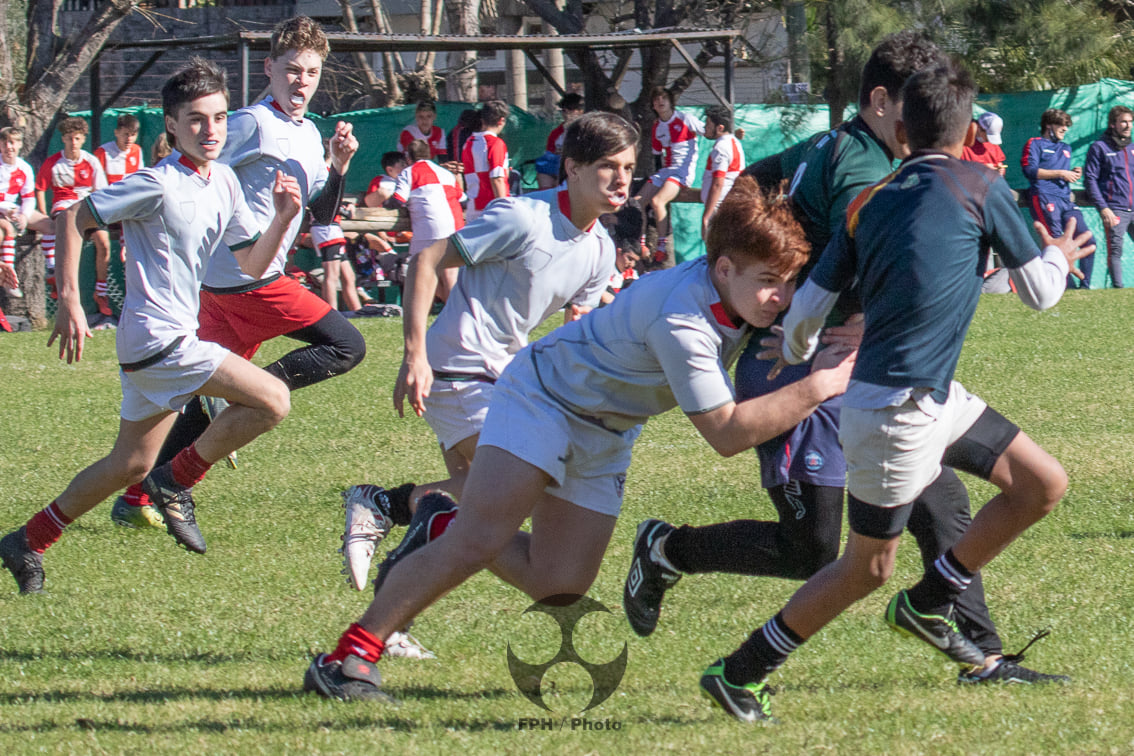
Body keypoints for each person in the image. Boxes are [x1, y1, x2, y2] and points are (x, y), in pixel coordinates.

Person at [305, 175, 860, 703]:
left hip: (607, 429)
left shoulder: (734, 286)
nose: (781, 297)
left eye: (790, 282)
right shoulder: (682, 321)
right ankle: (346, 659)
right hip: (544, 398)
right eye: (769, 281)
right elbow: (726, 433)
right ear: (723, 268)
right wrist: (823, 383)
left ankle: (443, 519)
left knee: (558, 585)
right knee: (478, 541)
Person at [637, 31, 1061, 689]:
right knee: (819, 551)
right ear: (884, 101)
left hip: (859, 367)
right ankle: (678, 563)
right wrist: (776, 291)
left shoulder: (835, 146)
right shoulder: (868, 172)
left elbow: (754, 179)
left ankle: (979, 653)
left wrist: (775, 274)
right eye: (913, 101)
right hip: (816, 370)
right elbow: (892, 266)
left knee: (943, 505)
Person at [0, 58, 301, 595]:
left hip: (167, 341)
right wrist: (69, 299)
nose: (210, 130)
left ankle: (28, 541)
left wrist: (281, 218)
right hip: (157, 339)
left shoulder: (225, 181)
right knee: (273, 400)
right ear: (171, 125)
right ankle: (177, 482)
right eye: (196, 120)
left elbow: (251, 265)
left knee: (130, 464)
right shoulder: (156, 183)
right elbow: (73, 217)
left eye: (219, 117)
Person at [338, 112, 632, 596]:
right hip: (458, 369)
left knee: (472, 516)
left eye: (628, 167)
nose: (621, 179)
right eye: (608, 166)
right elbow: (427, 259)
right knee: (531, 480)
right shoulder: (522, 217)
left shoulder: (600, 248)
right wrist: (414, 355)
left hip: (505, 377)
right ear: (573, 168)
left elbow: (574, 331)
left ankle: (393, 607)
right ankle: (385, 505)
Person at [110, 16, 366, 550]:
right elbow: (193, 171)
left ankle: (134, 499)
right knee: (347, 345)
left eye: (311, 72)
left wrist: (338, 166)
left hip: (232, 284)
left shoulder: (309, 133)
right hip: (246, 281)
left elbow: (321, 213)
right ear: (269, 68)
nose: (301, 81)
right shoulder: (250, 123)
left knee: (189, 396)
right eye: (291, 69)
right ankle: (233, 410)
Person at [35, 116, 114, 315]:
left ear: (83, 139)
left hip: (86, 207)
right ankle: (55, 275)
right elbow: (40, 188)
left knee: (104, 243)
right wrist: (43, 214)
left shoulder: (91, 161)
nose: (73, 142)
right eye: (69, 138)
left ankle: (101, 292)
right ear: (63, 139)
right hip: (63, 206)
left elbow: (101, 191)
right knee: (65, 238)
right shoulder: (54, 162)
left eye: (77, 138)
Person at [1022, 108, 1096, 288]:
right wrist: (1061, 173)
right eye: (1061, 125)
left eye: (1067, 126)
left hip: (1066, 200)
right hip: (1045, 197)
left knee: (1088, 241)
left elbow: (1062, 173)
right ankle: (1063, 287)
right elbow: (1029, 170)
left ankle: (1085, 287)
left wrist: (1073, 173)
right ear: (1049, 126)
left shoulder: (1066, 148)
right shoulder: (1035, 143)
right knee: (1056, 245)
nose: (1065, 129)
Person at [386, 139, 465, 302]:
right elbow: (463, 200)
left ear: (408, 158)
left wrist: (384, 204)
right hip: (455, 225)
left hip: (429, 228)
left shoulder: (408, 172)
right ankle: (457, 309)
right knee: (450, 275)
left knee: (421, 272)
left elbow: (398, 200)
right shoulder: (446, 173)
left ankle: (453, 308)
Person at [637, 87, 703, 265]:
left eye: (664, 98)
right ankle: (640, 244)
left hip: (682, 172)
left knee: (657, 201)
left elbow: (710, 132)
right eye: (656, 99)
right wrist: (658, 178)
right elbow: (657, 155)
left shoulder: (685, 119)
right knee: (637, 202)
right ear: (653, 105)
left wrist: (734, 134)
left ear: (670, 101)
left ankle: (661, 247)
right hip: (666, 171)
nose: (660, 102)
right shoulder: (657, 127)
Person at [1083, 105, 1134, 289]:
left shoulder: (1132, 147)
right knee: (1115, 250)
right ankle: (1118, 289)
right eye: (1123, 122)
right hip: (1115, 209)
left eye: (1130, 122)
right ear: (1113, 124)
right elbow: (1090, 179)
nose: (1128, 126)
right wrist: (1104, 208)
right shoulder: (1099, 147)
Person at [95, 113, 145, 266]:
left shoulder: (137, 151)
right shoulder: (103, 152)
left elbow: (139, 181)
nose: (129, 139)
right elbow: (97, 185)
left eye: (133, 135)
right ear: (116, 133)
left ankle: (129, 251)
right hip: (108, 204)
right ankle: (126, 248)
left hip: (128, 205)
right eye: (125, 134)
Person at [1, 126, 44, 298]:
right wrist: (5, 209)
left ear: (19, 144)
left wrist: (24, 217)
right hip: (4, 209)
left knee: (51, 225)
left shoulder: (24, 168)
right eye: (5, 143)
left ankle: (53, 268)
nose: (9, 147)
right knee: (7, 229)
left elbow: (29, 198)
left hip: (13, 209)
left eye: (12, 142)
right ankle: (8, 278)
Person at [700, 105, 745, 240]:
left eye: (708, 124)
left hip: (719, 208)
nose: (705, 127)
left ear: (720, 128)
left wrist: (707, 215)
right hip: (727, 206)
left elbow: (718, 183)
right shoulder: (733, 141)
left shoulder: (721, 148)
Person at [461, 100, 510, 222]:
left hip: (473, 206)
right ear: (501, 120)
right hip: (492, 207)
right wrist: (504, 209)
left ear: (482, 120)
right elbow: (497, 178)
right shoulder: (495, 143)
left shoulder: (468, 142)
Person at [536, 92, 585, 189]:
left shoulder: (587, 129)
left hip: (577, 168)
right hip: (557, 167)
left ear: (581, 111)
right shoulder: (557, 132)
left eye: (571, 109)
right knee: (543, 177)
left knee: (563, 179)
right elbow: (550, 152)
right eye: (564, 110)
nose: (566, 114)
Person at [961, 111, 1007, 175]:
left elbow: (999, 163)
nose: (989, 140)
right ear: (979, 128)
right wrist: (982, 169)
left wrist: (1001, 170)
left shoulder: (993, 145)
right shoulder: (963, 145)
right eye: (988, 135)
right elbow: (957, 170)